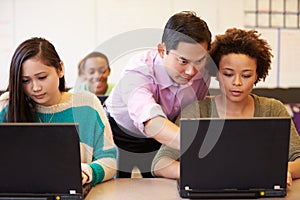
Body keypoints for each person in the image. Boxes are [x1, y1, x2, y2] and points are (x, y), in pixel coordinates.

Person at [151, 28, 300, 186]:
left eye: (246, 75)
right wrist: (198, 172)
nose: (237, 82)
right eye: (228, 74)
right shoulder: (197, 110)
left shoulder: (273, 110)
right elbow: (159, 163)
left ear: (257, 75)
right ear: (217, 73)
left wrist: (282, 170)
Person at [0, 37, 117, 192]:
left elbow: (109, 160)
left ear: (60, 69)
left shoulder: (86, 105)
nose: (35, 88)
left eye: (42, 77)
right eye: (25, 81)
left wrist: (87, 172)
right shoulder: (9, 106)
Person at [104, 11, 212, 177]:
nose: (191, 71)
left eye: (199, 61)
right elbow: (150, 121)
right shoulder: (138, 71)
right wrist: (202, 146)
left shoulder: (202, 74)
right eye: (183, 61)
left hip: (166, 136)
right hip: (120, 134)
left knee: (159, 187)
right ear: (162, 51)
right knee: (118, 188)